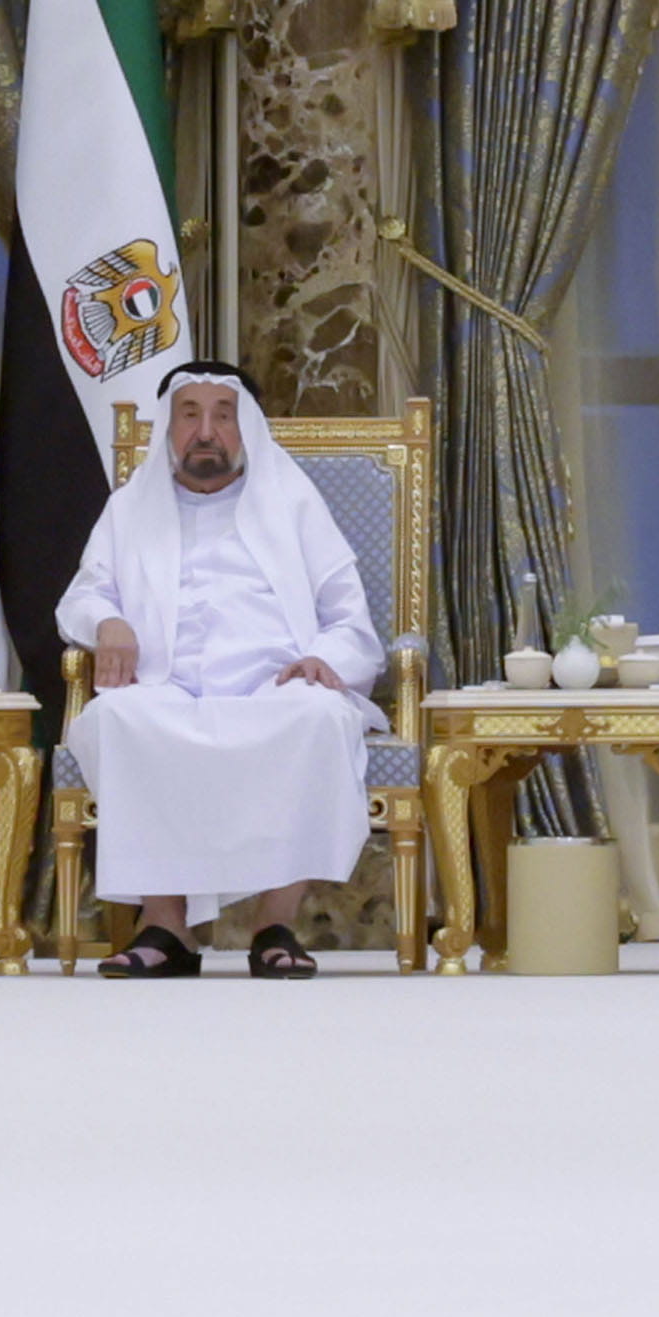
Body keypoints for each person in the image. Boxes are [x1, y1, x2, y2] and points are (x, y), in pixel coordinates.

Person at [53, 360, 383, 978]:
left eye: (223, 416)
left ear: (246, 428)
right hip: (165, 688)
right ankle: (165, 926)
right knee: (117, 717)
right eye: (189, 414)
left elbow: (349, 619)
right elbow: (82, 597)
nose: (206, 431)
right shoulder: (129, 509)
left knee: (318, 716)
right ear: (168, 428)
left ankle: (275, 925)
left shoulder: (292, 504)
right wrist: (107, 622)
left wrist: (324, 660)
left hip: (274, 688)